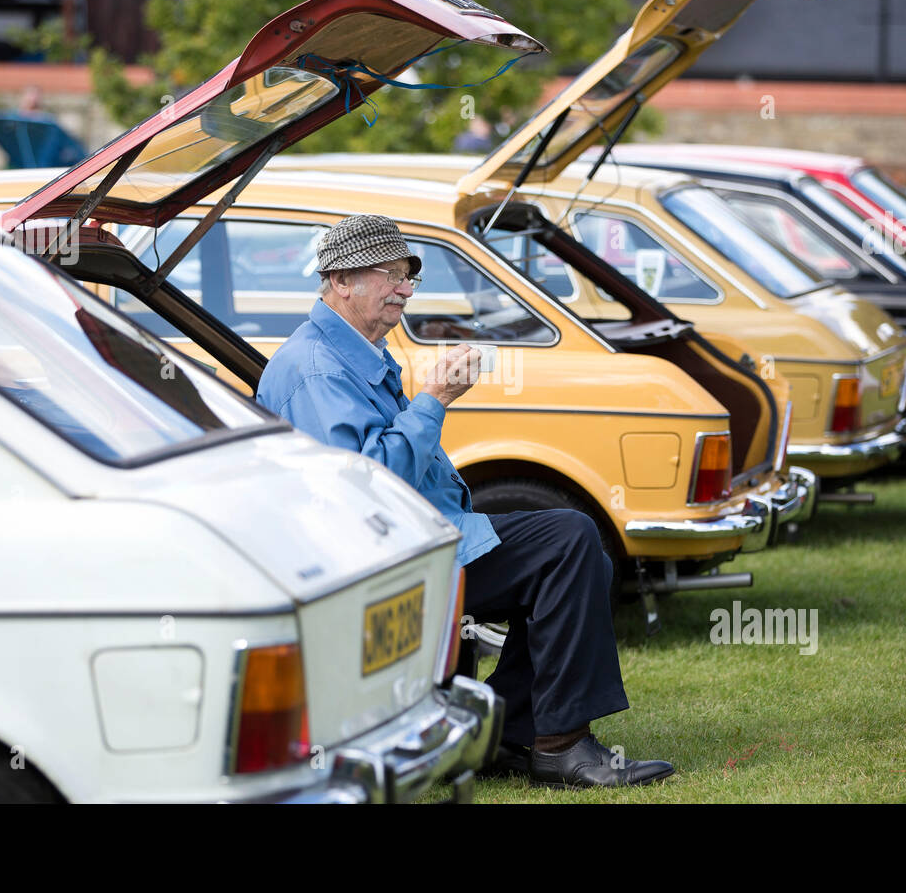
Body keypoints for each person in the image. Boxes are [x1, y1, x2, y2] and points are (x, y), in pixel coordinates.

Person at [256, 214, 675, 788]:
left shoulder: (349, 351)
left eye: (409, 277)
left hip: (421, 538)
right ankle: (560, 745)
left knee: (586, 559)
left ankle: (505, 726)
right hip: (386, 560)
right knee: (571, 537)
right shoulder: (315, 368)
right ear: (340, 281)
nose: (404, 289)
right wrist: (432, 400)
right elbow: (364, 486)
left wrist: (429, 402)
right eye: (391, 275)